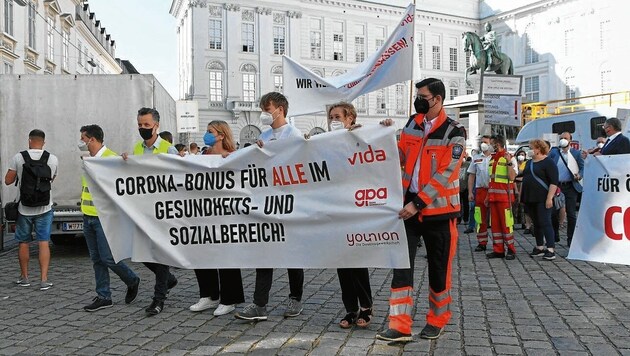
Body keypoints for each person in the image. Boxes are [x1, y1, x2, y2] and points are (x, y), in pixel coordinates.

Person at [376, 78, 466, 342]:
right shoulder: (412, 124)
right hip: (408, 209)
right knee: (401, 267)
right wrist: (382, 137)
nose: (417, 99)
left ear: (437, 99)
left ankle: (437, 320)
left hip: (438, 212)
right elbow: (399, 157)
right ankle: (399, 325)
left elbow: (446, 174)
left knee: (439, 268)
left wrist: (417, 204)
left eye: (422, 96)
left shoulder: (454, 131)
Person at [235, 92, 304, 321]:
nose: (264, 113)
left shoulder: (294, 135)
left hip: (289, 203)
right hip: (267, 203)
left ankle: (295, 299)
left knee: (293, 255)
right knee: (265, 255)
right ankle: (259, 304)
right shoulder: (263, 135)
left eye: (267, 108)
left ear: (280, 109)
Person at [78, 125, 141, 311]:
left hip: (104, 219)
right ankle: (104, 296)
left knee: (108, 258)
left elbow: (124, 184)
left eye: (83, 138)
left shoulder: (111, 159)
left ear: (93, 139)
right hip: (88, 216)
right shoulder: (89, 160)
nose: (81, 142)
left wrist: (125, 162)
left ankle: (132, 279)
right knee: (96, 259)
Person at [325, 102, 374, 329]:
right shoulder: (325, 142)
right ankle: (350, 308)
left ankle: (366, 306)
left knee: (357, 260)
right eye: (331, 117)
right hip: (336, 208)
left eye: (337, 116)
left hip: (356, 208)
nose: (333, 120)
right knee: (342, 261)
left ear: (350, 117)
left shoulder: (362, 137)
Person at [126, 108, 179, 315]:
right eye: (140, 125)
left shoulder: (168, 149)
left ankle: (158, 300)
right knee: (139, 252)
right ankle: (169, 279)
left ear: (156, 125)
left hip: (164, 210)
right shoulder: (137, 149)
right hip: (143, 209)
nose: (142, 128)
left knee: (161, 255)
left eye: (146, 125)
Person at [190, 121, 245, 316]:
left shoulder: (234, 156)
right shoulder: (202, 156)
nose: (206, 135)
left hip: (226, 212)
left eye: (210, 131)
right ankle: (209, 295)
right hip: (203, 212)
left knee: (226, 255)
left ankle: (230, 298)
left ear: (221, 135)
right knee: (202, 253)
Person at [4, 129, 58, 291]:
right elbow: (52, 179)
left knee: (23, 242)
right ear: (44, 142)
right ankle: (43, 280)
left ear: (29, 140)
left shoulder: (18, 157)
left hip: (24, 208)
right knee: (43, 242)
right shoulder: (52, 158)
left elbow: (8, 181)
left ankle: (25, 277)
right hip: (45, 207)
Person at [521, 139, 559, 260]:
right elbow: (524, 178)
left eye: (531, 147)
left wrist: (549, 198)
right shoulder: (529, 163)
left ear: (538, 149)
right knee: (536, 223)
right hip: (530, 197)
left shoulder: (548, 162)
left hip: (542, 198)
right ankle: (539, 247)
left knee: (545, 222)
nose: (529, 150)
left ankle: (551, 249)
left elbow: (554, 182)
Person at [548, 132, 584, 247]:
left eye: (565, 138)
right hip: (556, 186)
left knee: (571, 214)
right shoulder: (554, 153)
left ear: (570, 140)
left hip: (570, 186)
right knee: (553, 212)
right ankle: (555, 234)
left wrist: (579, 175)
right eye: (561, 138)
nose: (563, 140)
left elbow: (582, 167)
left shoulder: (576, 153)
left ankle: (571, 239)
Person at [486, 135, 518, 260]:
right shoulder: (492, 159)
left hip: (505, 197)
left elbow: (512, 177)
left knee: (507, 225)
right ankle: (498, 250)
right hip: (494, 197)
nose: (490, 145)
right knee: (495, 226)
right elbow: (492, 180)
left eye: (492, 143)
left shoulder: (509, 157)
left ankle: (511, 249)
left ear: (498, 144)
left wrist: (509, 162)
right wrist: (488, 196)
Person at [466, 136, 492, 251]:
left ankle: (499, 244)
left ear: (491, 144)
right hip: (480, 190)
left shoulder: (496, 158)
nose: (483, 144)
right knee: (480, 218)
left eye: (485, 142)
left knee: (495, 218)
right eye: (481, 142)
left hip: (493, 190)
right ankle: (482, 242)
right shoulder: (476, 158)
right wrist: (470, 192)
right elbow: (471, 176)